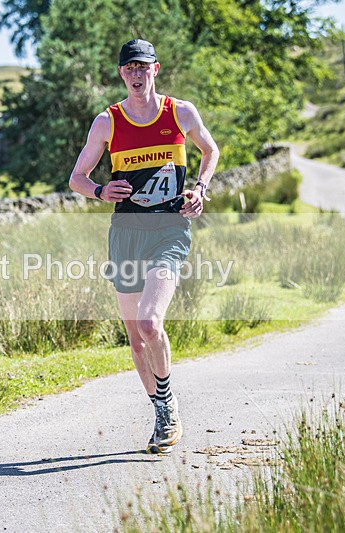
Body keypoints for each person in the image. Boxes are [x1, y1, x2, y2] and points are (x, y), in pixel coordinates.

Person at [69, 39, 219, 454]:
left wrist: (201, 188)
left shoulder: (180, 112)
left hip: (170, 231)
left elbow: (211, 150)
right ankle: (159, 410)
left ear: (156, 69)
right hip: (126, 235)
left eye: (143, 67)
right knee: (135, 337)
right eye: (128, 68)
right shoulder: (107, 122)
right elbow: (76, 178)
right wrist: (100, 190)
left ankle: (167, 405)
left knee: (151, 323)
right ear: (122, 74)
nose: (136, 74)